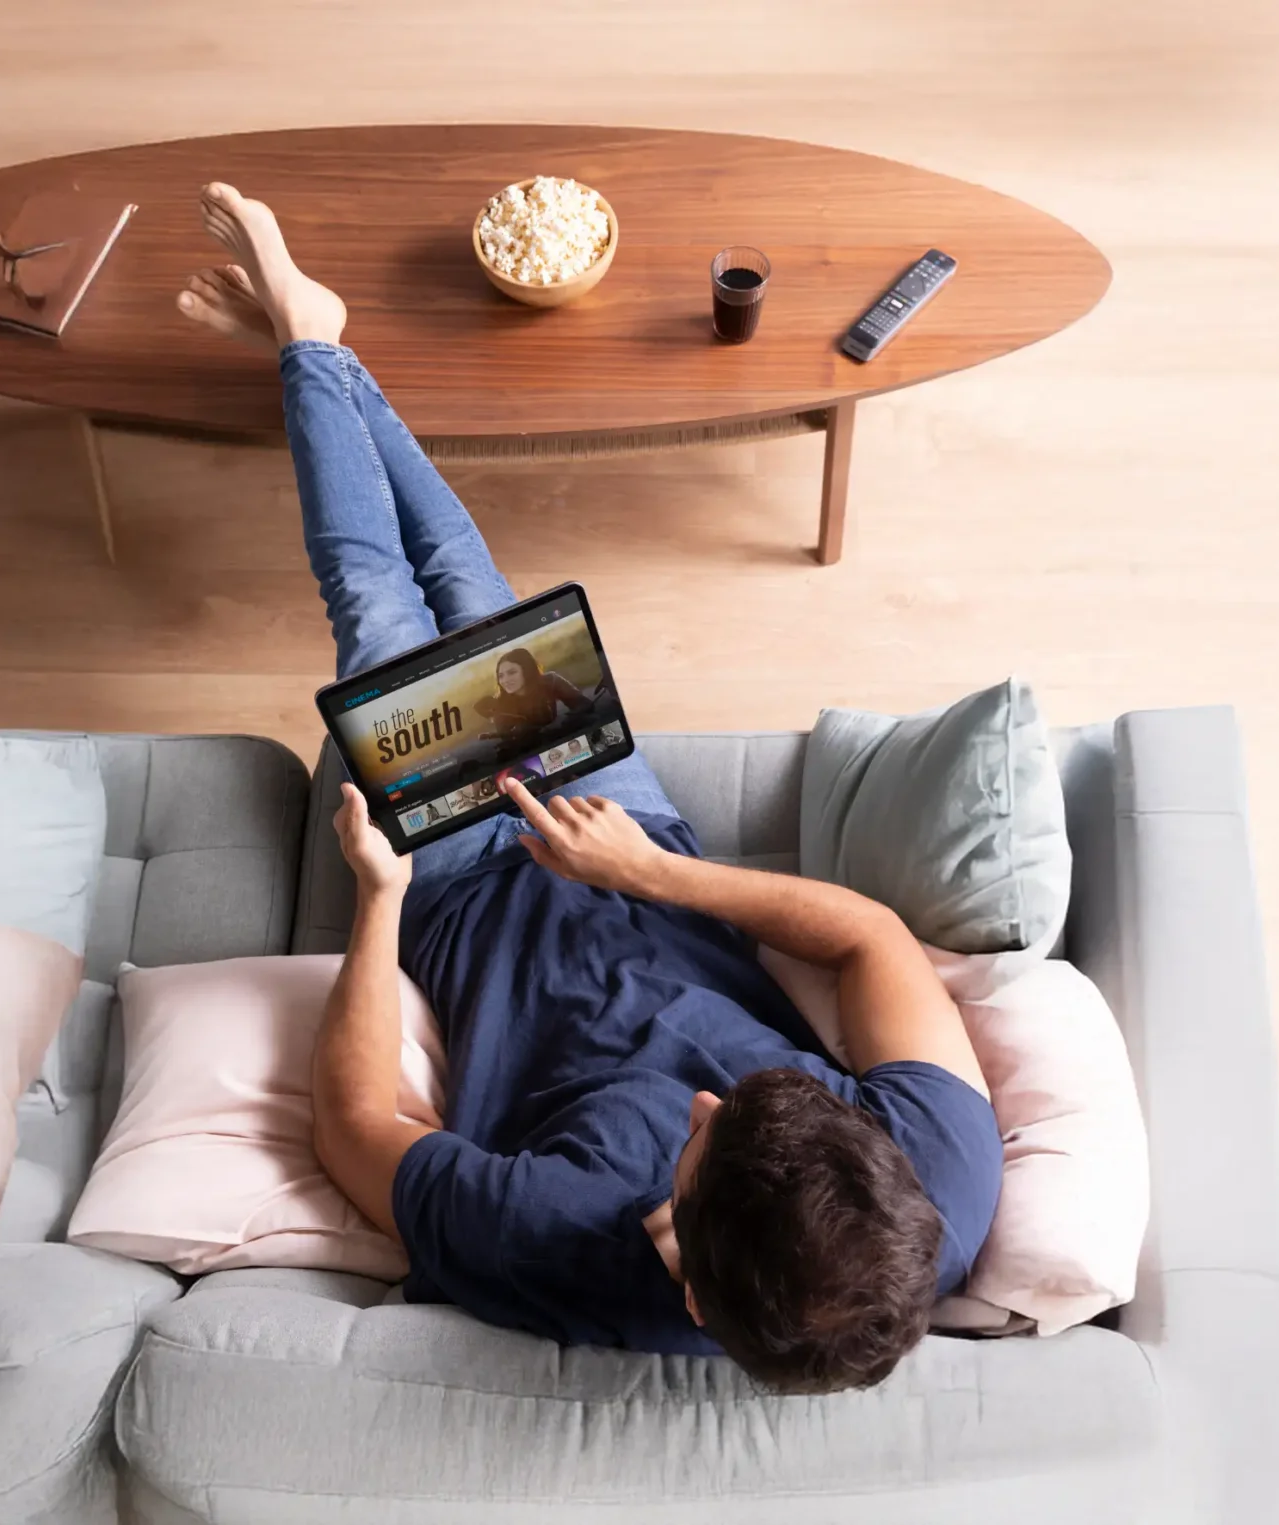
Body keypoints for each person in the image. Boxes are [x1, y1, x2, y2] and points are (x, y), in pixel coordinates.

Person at [176, 183, 1002, 1394]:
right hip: (625, 840)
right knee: (473, 585)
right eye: (749, 1100)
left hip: (455, 886)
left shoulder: (554, 1245)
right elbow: (874, 941)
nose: (705, 1100)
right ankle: (318, 344)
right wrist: (647, 869)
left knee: (376, 604)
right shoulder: (935, 1181)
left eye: (699, 1141)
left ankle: (312, 342)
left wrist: (376, 895)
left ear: (690, 1285)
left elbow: (356, 1128)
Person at [473, 646, 590, 747]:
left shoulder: (551, 680)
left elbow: (583, 704)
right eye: (501, 676)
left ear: (527, 670)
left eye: (512, 672)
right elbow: (509, 741)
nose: (505, 680)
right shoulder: (501, 706)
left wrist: (564, 721)